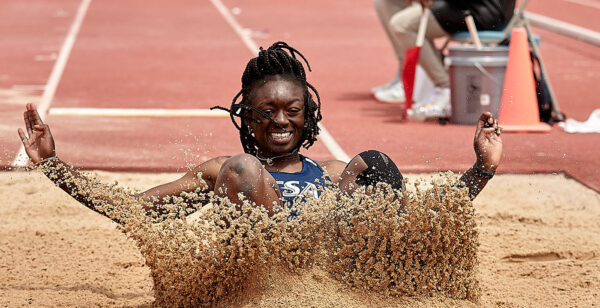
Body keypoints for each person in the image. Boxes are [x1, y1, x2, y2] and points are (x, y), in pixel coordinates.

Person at [17, 42, 502, 224]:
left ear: (308, 117)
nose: (279, 121)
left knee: (372, 160)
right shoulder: (224, 174)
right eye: (265, 111)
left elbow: (421, 221)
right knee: (245, 168)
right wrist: (54, 167)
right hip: (262, 284)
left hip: (334, 280)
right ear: (246, 118)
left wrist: (482, 170)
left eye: (292, 110)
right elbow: (134, 212)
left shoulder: (333, 174)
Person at [372, 0, 515, 118]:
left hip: (482, 10)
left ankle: (445, 87)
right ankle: (407, 78)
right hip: (470, 5)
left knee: (401, 26)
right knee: (386, 2)